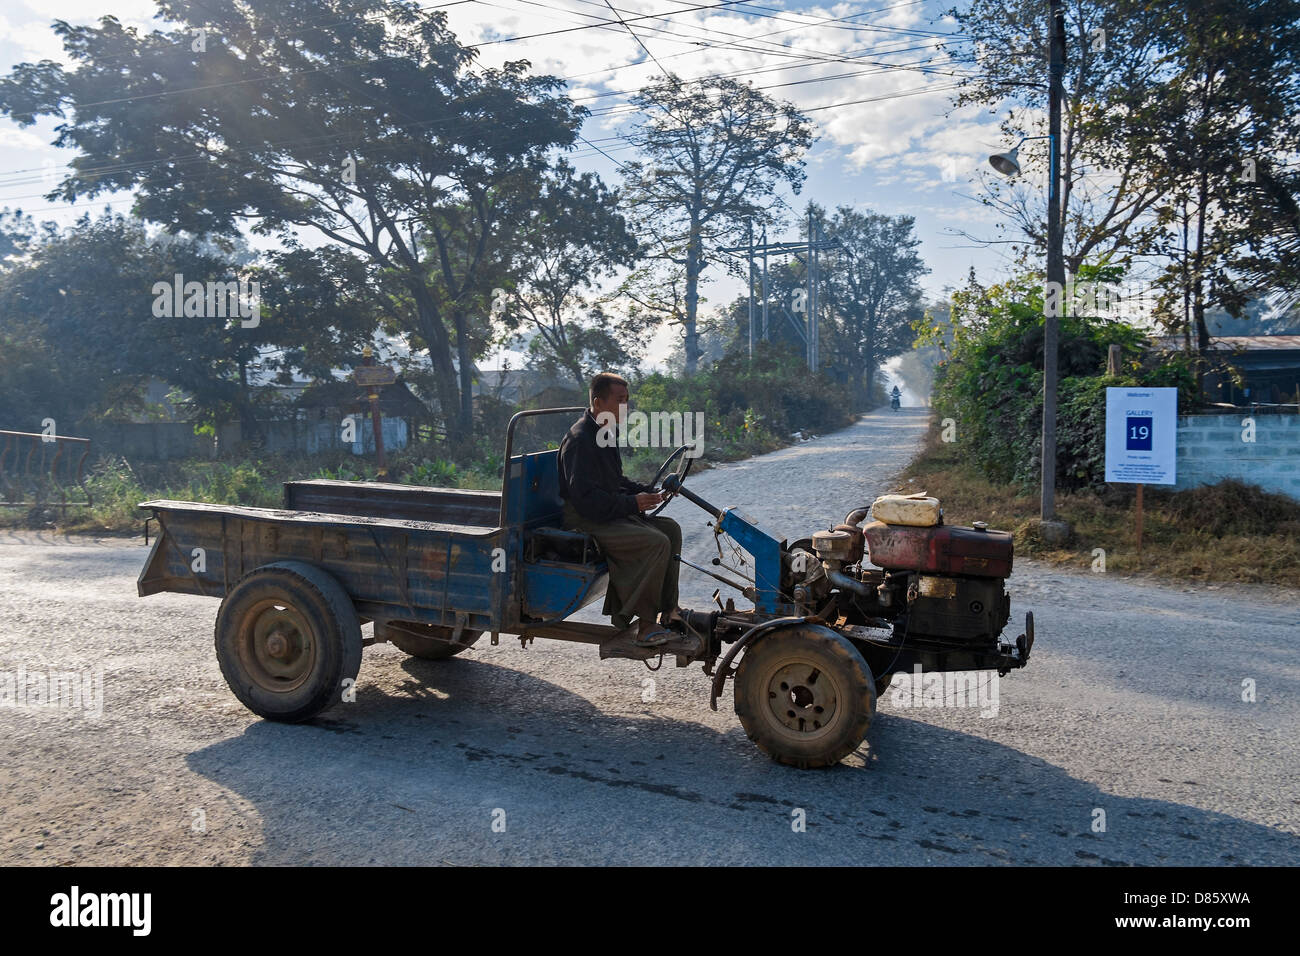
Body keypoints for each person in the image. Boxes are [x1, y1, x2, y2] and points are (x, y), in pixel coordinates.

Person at [557, 372, 684, 648]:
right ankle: (645, 626)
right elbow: (586, 500)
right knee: (655, 542)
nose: (626, 407)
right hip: (586, 519)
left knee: (670, 529)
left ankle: (669, 610)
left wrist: (645, 492)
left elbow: (616, 481)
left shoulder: (605, 432)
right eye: (620, 400)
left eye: (627, 400)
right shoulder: (580, 440)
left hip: (606, 511)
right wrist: (631, 503)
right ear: (599, 402)